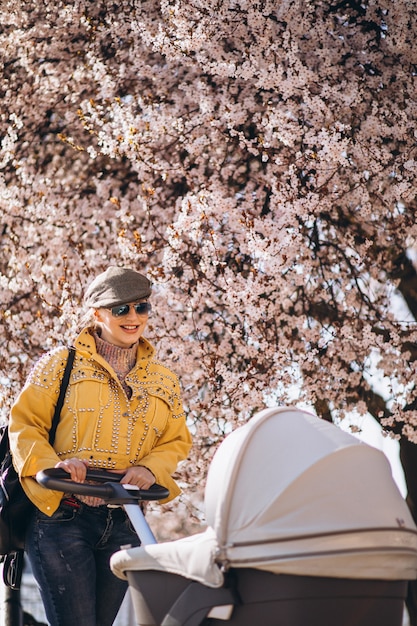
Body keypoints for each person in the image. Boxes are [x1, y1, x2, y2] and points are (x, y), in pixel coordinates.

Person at [9, 266, 192, 626]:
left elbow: (176, 440)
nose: (133, 317)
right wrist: (56, 465)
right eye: (120, 309)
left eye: (141, 308)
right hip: (63, 516)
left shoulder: (165, 380)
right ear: (97, 314)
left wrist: (151, 469)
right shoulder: (59, 365)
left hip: (125, 520)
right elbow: (25, 424)